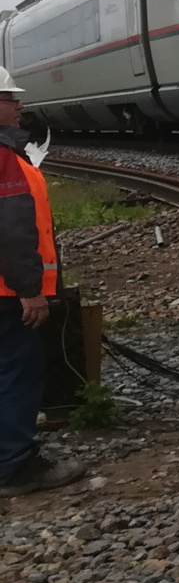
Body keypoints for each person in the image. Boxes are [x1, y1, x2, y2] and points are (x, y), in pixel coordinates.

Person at [0, 69, 81, 496]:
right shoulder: (3, 159)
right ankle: (15, 468)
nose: (19, 105)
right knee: (16, 372)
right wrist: (30, 290)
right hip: (6, 294)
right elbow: (13, 232)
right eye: (9, 98)